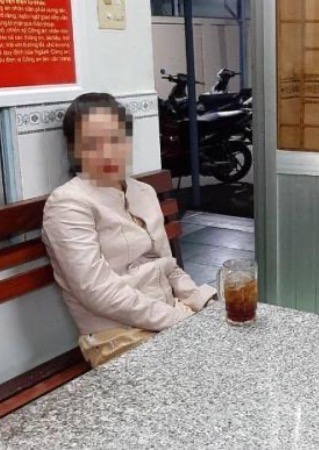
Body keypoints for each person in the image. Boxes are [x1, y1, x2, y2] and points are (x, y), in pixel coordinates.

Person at [42, 93, 217, 368]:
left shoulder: (142, 191)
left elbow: (168, 266)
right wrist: (180, 320)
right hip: (117, 336)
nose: (108, 151)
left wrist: (204, 301)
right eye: (93, 143)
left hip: (169, 317)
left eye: (115, 138)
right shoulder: (68, 203)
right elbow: (96, 291)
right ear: (75, 149)